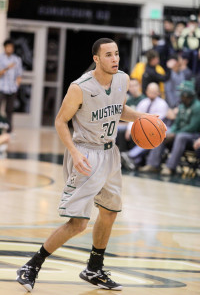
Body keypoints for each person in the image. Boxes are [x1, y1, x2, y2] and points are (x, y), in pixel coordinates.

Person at [16, 38, 150, 292]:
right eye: (108, 55)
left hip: (110, 155)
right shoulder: (80, 87)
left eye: (117, 54)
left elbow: (118, 110)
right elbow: (60, 121)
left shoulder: (121, 79)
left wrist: (143, 117)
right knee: (77, 223)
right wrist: (75, 153)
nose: (115, 59)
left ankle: (94, 269)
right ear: (96, 59)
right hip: (86, 155)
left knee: (109, 212)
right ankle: (31, 265)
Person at [140, 80, 200, 175]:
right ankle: (152, 164)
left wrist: (175, 134)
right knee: (162, 133)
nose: (179, 94)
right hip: (180, 133)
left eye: (181, 92)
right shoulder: (181, 106)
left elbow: (193, 126)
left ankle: (170, 167)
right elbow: (176, 123)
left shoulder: (197, 107)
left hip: (193, 136)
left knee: (180, 137)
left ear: (186, 93)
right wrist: (172, 131)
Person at [121, 83, 169, 170]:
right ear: (146, 92)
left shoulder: (162, 104)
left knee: (151, 137)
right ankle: (132, 159)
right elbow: (135, 116)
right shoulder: (143, 102)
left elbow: (157, 122)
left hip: (160, 129)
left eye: (154, 91)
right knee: (123, 130)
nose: (152, 93)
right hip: (144, 127)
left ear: (159, 93)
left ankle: (131, 155)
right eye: (150, 91)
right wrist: (129, 129)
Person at [116, 78, 145, 152]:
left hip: (139, 125)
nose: (133, 88)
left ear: (139, 86)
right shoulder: (128, 100)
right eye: (131, 86)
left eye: (135, 85)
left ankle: (124, 153)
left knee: (119, 129)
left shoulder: (144, 100)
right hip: (128, 123)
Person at [0, 39, 23, 132]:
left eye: (11, 47)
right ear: (5, 47)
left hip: (12, 89)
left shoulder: (17, 59)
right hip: (1, 87)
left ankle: (9, 130)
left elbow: (19, 74)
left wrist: (17, 85)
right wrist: (7, 67)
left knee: (9, 110)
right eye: (8, 47)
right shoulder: (0, 58)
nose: (9, 49)